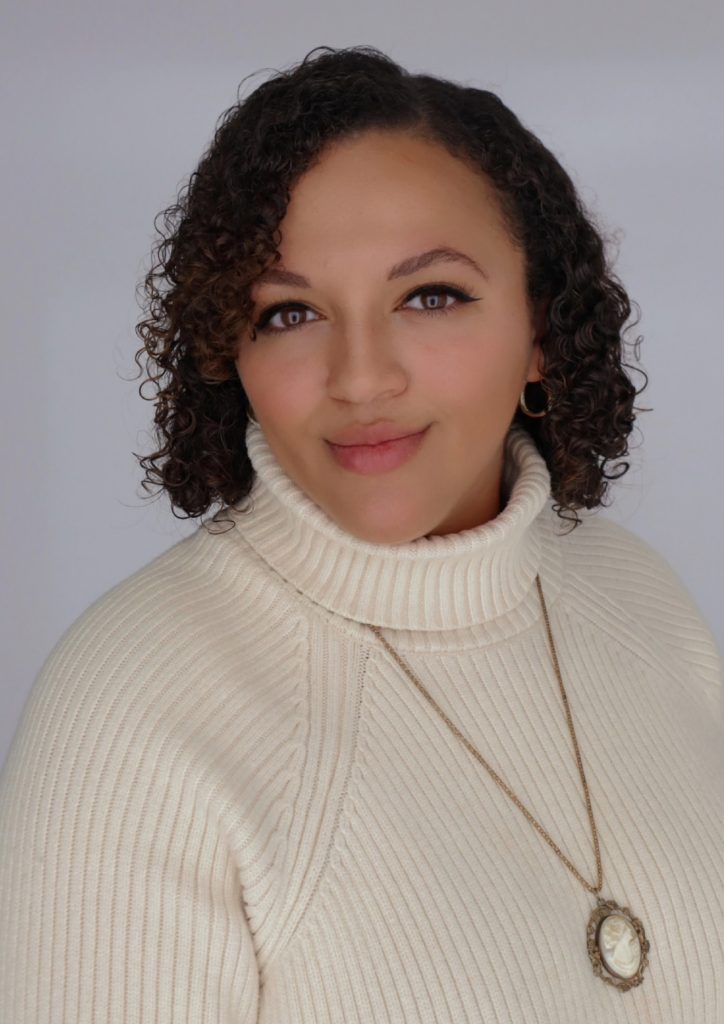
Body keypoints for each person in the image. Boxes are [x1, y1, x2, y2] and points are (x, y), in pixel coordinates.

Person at [0, 43, 721, 1024]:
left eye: (429, 296)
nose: (359, 377)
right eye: (290, 312)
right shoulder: (132, 714)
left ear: (541, 329)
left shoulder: (637, 596)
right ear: (231, 352)